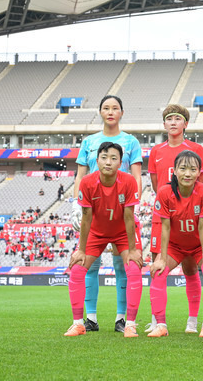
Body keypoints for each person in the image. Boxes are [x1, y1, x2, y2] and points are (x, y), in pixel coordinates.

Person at [71, 95, 143, 333]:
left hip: (123, 209)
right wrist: (75, 204)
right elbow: (80, 175)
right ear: (100, 112)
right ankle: (89, 318)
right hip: (95, 210)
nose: (110, 112)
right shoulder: (89, 142)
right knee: (89, 266)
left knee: (124, 267)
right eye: (106, 108)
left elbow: (136, 175)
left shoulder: (131, 141)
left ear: (122, 112)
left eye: (115, 108)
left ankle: (121, 319)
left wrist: (134, 205)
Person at [146, 104, 203, 334]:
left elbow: (201, 183)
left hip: (190, 215)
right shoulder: (156, 151)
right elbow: (155, 185)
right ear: (164, 124)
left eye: (177, 119)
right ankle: (156, 320)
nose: (173, 122)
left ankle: (193, 321)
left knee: (191, 268)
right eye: (169, 119)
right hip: (163, 212)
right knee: (158, 265)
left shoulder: (196, 149)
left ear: (185, 124)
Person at [148, 151, 203, 338]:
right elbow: (164, 227)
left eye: (192, 169)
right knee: (158, 272)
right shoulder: (164, 192)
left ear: (199, 173)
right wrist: (161, 259)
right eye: (183, 168)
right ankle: (161, 325)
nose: (187, 174)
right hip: (175, 245)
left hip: (199, 245)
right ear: (175, 171)